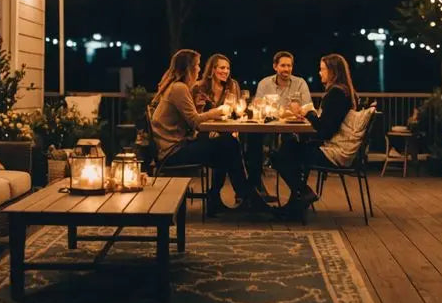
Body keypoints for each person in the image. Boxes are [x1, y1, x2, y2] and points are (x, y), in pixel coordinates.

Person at [150, 49, 266, 216]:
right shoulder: (179, 88)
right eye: (196, 65)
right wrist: (217, 111)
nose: (199, 69)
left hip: (175, 146)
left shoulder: (176, 87)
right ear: (189, 68)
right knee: (229, 145)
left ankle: (228, 198)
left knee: (226, 146)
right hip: (173, 151)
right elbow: (196, 122)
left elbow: (192, 120)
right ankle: (246, 196)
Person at [271, 54, 363, 219]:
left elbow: (324, 131)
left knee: (279, 155)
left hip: (334, 152)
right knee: (289, 146)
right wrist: (309, 117)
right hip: (339, 147)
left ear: (332, 71)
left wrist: (309, 113)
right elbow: (328, 125)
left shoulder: (336, 94)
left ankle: (303, 193)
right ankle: (297, 202)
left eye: (322, 69)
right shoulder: (345, 91)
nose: (320, 73)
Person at [247, 51, 312, 201]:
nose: (286, 69)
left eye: (289, 66)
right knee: (252, 140)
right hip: (267, 127)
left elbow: (308, 106)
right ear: (275, 66)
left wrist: (291, 112)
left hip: (291, 128)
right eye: (283, 65)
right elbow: (258, 106)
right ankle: (255, 189)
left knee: (290, 145)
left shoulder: (300, 83)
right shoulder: (265, 83)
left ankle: (297, 193)